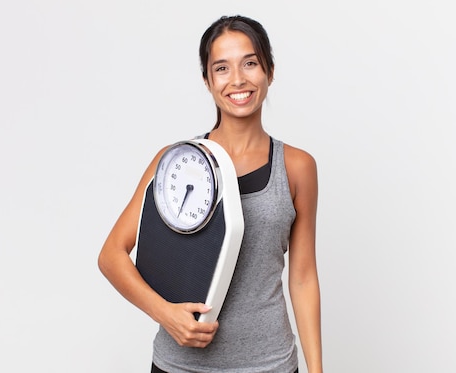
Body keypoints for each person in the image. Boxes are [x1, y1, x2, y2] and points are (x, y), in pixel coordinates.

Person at [98, 15, 322, 373]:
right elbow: (111, 255)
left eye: (250, 63)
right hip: (179, 365)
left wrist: (317, 370)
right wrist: (165, 314)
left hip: (271, 365)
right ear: (207, 80)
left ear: (270, 71)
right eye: (222, 68)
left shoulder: (296, 167)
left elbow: (303, 276)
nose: (238, 79)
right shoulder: (174, 163)